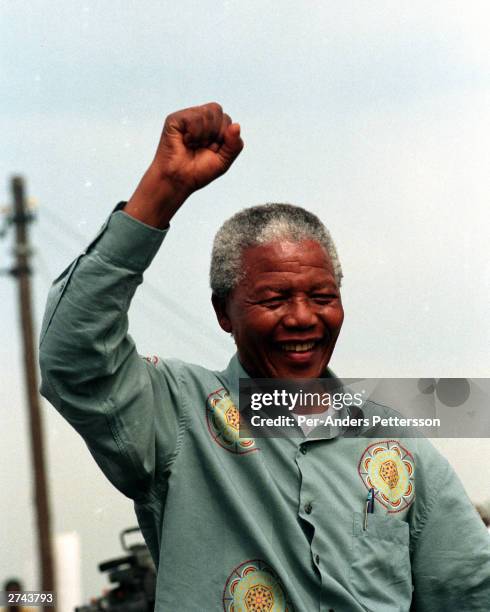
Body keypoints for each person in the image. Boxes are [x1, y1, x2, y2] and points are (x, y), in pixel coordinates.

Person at [39, 102, 490, 611]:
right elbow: (74, 356)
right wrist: (160, 193)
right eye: (274, 300)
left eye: (322, 298)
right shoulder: (179, 414)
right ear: (223, 313)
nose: (302, 318)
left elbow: (470, 587)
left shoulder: (394, 444)